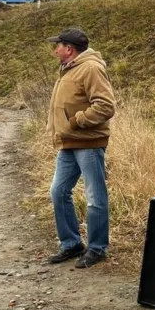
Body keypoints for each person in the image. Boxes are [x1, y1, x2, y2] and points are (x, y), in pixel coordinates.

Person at [46, 27, 116, 268]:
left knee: (95, 197)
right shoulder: (69, 68)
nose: (55, 49)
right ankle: (71, 243)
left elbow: (106, 106)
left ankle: (97, 248)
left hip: (88, 143)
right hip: (68, 143)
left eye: (58, 45)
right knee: (58, 191)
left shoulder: (91, 68)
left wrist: (76, 122)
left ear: (69, 49)